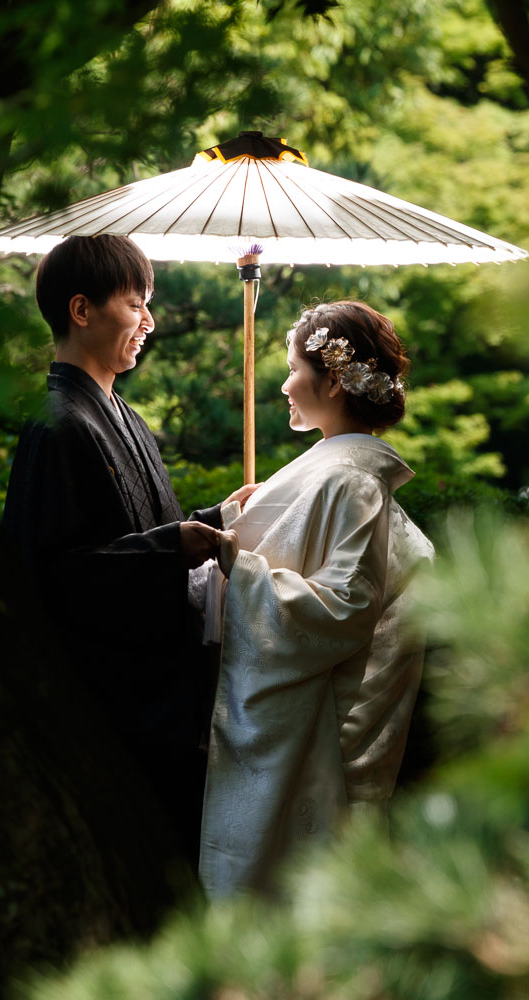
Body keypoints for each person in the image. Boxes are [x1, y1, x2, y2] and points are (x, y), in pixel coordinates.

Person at [2, 234, 254, 871]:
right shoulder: (56, 422)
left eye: (150, 303)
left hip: (165, 697)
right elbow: (53, 574)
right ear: (81, 310)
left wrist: (216, 518)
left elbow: (145, 534)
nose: (149, 320)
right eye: (136, 302)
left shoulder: (127, 418)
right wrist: (173, 544)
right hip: (114, 704)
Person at [199, 300, 434, 898]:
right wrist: (240, 517)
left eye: (293, 368)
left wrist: (237, 563)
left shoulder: (350, 478)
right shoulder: (335, 469)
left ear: (331, 380)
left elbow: (345, 607)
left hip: (323, 727)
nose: (283, 383)